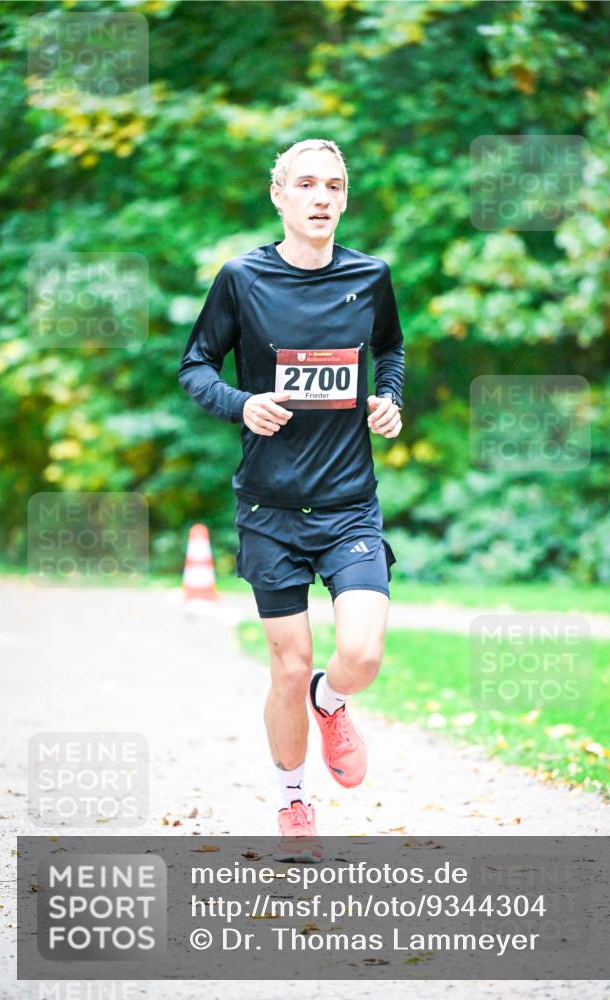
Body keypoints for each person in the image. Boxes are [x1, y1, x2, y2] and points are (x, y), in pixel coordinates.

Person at [179, 138, 405, 856]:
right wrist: (241, 404)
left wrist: (389, 399)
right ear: (279, 195)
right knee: (284, 662)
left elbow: (391, 349)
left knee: (361, 653)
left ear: (344, 197)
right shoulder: (242, 278)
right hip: (270, 508)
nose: (320, 197)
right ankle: (291, 797)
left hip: (348, 505)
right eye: (305, 184)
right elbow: (193, 366)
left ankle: (329, 699)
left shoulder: (369, 277)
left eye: (333, 185)